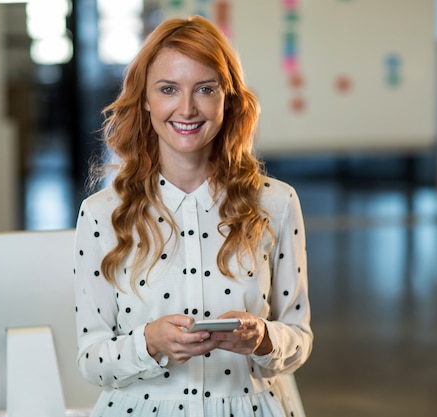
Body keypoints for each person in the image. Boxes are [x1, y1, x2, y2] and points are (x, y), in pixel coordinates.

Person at [73, 15, 312, 417]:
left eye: (205, 89)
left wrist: (264, 338)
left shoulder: (277, 203)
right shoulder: (101, 214)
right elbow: (91, 359)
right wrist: (149, 341)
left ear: (228, 99)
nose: (187, 108)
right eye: (168, 89)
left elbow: (299, 340)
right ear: (145, 98)